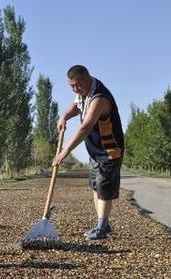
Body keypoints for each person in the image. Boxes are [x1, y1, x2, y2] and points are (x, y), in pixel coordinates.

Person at [52, 65, 124, 240]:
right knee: (95, 186)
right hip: (95, 151)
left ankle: (103, 225)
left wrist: (65, 151)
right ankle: (101, 223)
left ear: (87, 77)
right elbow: (77, 107)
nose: (76, 89)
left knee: (104, 187)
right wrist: (64, 117)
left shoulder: (99, 97)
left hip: (108, 150)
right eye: (72, 87)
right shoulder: (84, 93)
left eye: (78, 84)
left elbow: (85, 128)